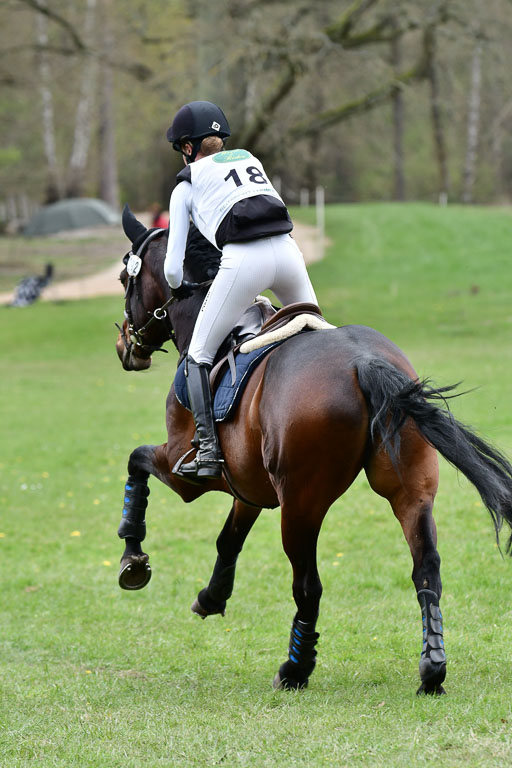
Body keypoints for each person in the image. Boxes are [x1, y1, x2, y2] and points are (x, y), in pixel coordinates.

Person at [164, 100, 318, 483]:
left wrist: (179, 286)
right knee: (319, 332)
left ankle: (209, 452)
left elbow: (170, 268)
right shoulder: (249, 160)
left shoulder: (185, 184)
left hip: (244, 262)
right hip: (288, 253)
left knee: (197, 355)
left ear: (188, 147)